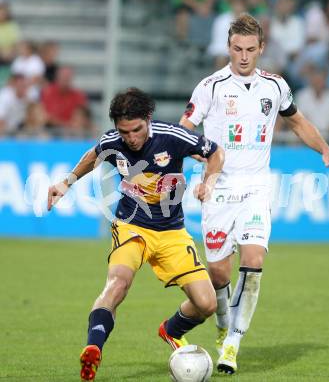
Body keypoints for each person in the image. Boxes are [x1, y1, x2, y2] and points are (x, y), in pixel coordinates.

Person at [180, 13, 329, 374]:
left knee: (253, 264)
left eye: (250, 50)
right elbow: (185, 130)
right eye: (237, 49)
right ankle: (223, 326)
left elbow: (298, 121)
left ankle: (233, 345)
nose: (243, 56)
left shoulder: (275, 85)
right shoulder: (210, 86)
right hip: (219, 189)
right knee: (219, 274)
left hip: (256, 188)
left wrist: (325, 149)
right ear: (228, 46)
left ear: (261, 48)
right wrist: (205, 160)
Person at [47, 88, 224, 381]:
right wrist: (67, 182)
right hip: (131, 227)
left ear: (148, 119)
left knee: (207, 304)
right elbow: (95, 154)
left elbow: (216, 152)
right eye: (124, 131)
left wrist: (210, 182)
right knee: (118, 283)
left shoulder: (174, 137)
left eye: (136, 129)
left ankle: (171, 329)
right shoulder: (113, 140)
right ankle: (93, 348)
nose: (130, 137)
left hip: (171, 232)